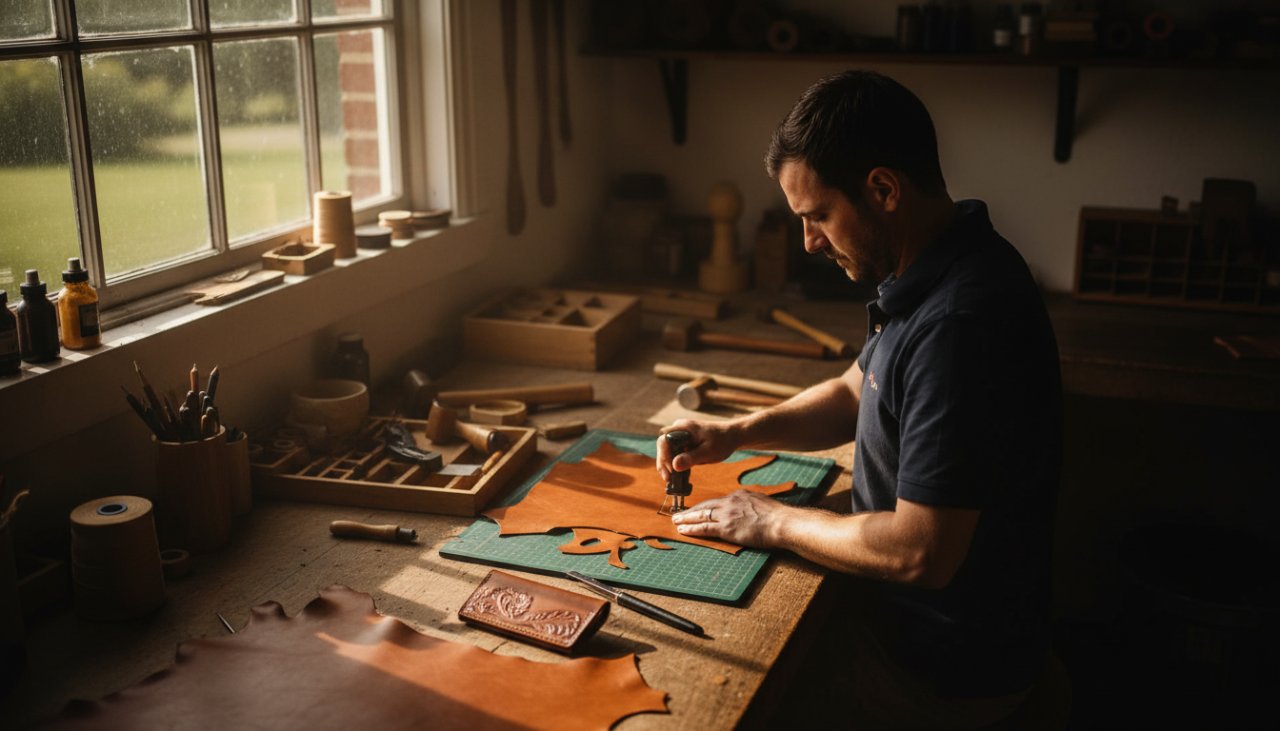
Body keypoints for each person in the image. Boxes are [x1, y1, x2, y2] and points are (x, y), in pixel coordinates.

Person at [655, 70, 1062, 729]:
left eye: (817, 216)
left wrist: (771, 520)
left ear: (883, 189)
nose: (811, 242)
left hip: (941, 672)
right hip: (908, 630)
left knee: (718, 706)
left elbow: (917, 550)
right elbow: (856, 389)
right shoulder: (938, 263)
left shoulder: (959, 322)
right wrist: (736, 431)